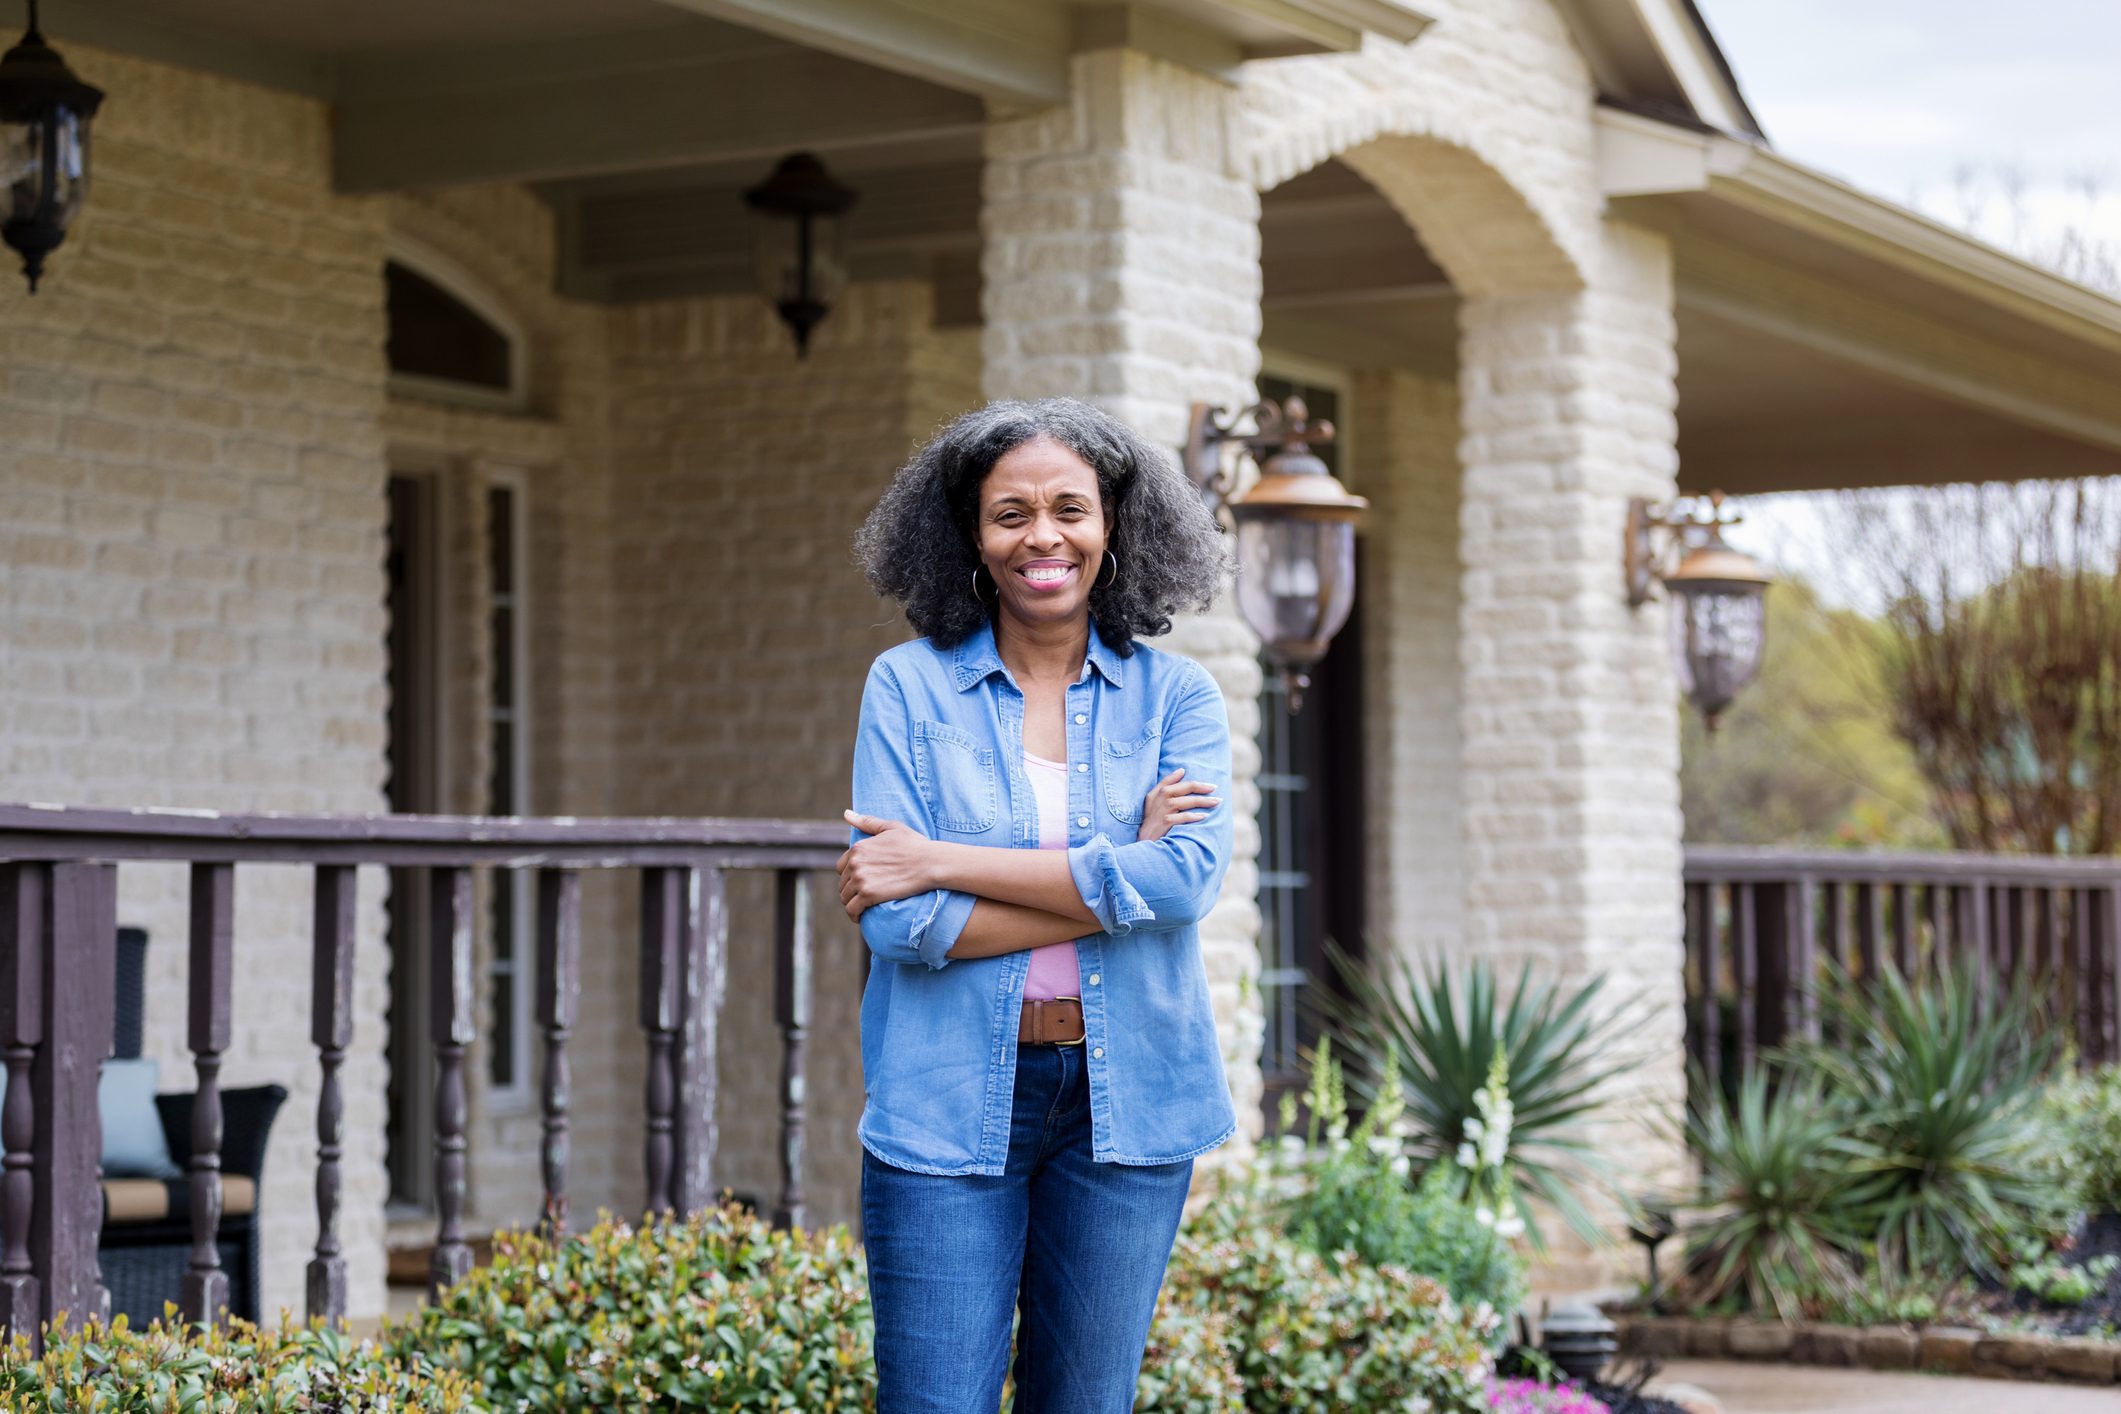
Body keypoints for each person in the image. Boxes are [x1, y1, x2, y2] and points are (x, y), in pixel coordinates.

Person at [839, 397, 1238, 1412]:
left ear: (1115, 525)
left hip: (1128, 1104)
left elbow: (1185, 878)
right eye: (1010, 512)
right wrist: (1118, 879)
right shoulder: (907, 689)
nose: (1043, 536)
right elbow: (897, 921)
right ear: (970, 534)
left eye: (1071, 507)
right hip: (943, 1098)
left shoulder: (1178, 699)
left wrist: (939, 857)